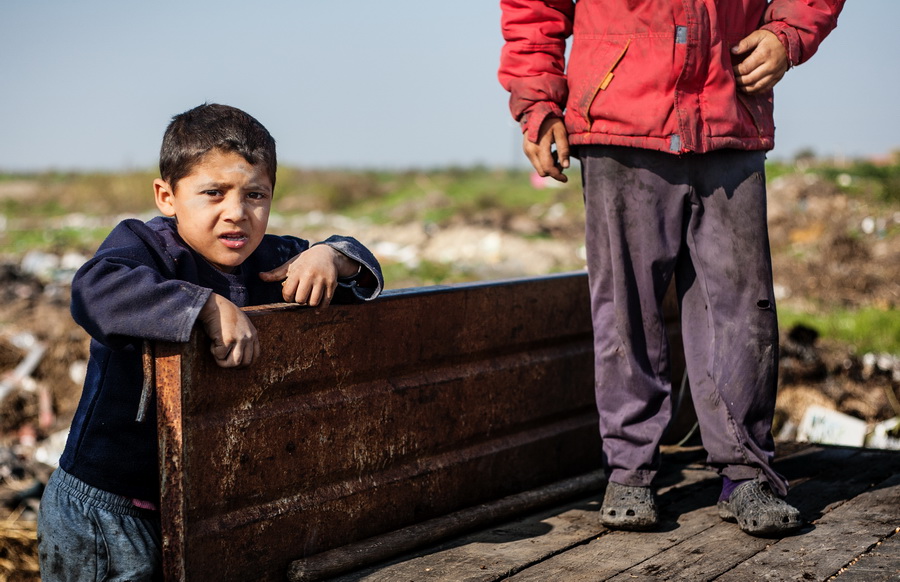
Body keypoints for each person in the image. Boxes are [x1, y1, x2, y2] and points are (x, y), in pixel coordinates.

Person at [499, 0, 843, 536]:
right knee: (625, 307)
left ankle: (745, 472)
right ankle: (631, 472)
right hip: (619, 120)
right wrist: (538, 103)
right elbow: (532, 8)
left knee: (741, 311)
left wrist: (790, 33)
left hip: (730, 113)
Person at [36, 103, 383, 580]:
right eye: (213, 193)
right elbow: (93, 290)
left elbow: (360, 269)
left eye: (256, 195)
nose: (236, 214)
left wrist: (331, 257)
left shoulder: (275, 259)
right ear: (167, 196)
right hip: (109, 509)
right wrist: (202, 305)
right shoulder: (146, 250)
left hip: (202, 507)